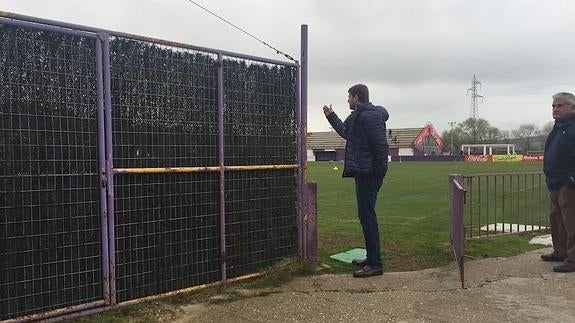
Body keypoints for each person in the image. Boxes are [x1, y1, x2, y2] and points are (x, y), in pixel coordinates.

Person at [322, 84, 389, 278]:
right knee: (365, 216)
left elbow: (381, 147)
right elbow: (345, 131)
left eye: (349, 97)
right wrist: (331, 116)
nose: (347, 100)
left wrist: (378, 173)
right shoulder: (358, 115)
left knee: (368, 217)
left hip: (370, 175)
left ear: (357, 97)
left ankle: (375, 264)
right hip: (363, 173)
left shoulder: (370, 117)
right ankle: (371, 257)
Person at [542, 92, 575, 272]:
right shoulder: (558, 127)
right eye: (553, 106)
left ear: (573, 107)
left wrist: (572, 179)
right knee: (556, 219)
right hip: (554, 181)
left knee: (571, 221)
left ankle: (573, 259)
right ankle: (561, 252)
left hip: (568, 183)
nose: (555, 109)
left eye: (560, 106)